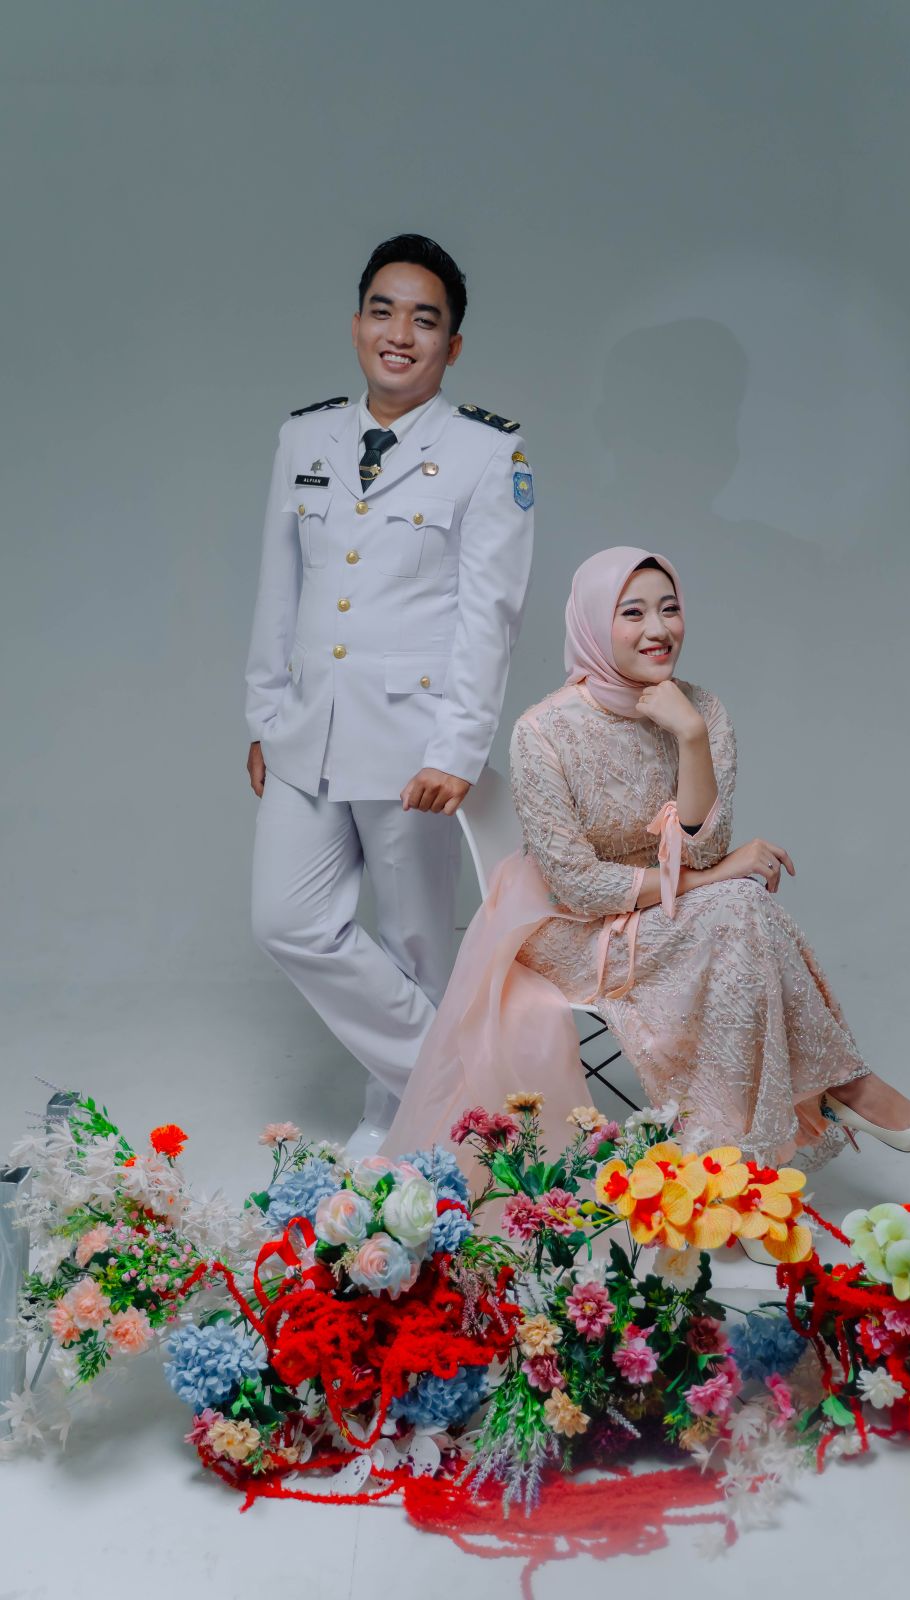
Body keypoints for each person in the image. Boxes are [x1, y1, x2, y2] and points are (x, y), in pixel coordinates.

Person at [385, 545, 910, 1178]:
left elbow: (705, 846)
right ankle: (832, 1101)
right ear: (592, 623)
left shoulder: (702, 712)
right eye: (632, 613)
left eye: (670, 609)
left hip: (678, 910)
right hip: (569, 927)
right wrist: (714, 878)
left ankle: (735, 1159)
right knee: (737, 906)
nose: (658, 629)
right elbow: (578, 885)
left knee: (739, 912)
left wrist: (690, 737)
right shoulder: (542, 731)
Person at [244, 234, 535, 1155]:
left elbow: (490, 615)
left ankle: (395, 1122)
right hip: (306, 730)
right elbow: (280, 588)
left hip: (413, 740)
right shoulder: (304, 438)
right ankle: (461, 1096)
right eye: (383, 310)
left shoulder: (486, 453)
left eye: (425, 319)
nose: (399, 333)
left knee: (417, 946)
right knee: (288, 920)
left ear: (453, 345)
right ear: (356, 323)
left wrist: (458, 748)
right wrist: (264, 716)